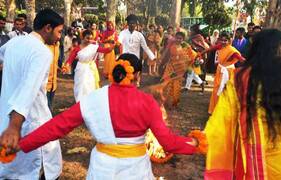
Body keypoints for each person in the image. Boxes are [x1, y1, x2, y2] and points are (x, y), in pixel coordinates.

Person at [15, 53, 199, 179]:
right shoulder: (147, 102)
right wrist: (195, 143)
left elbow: (55, 127)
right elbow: (168, 143)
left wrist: (20, 146)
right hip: (135, 170)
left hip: (101, 169)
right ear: (138, 75)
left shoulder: (92, 99)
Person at [204, 29, 281, 179]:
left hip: (260, 158)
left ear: (255, 50)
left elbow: (222, 120)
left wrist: (201, 140)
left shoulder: (241, 79)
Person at [0, 9, 64, 179]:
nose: (59, 37)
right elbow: (28, 89)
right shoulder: (42, 52)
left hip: (6, 116)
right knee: (36, 169)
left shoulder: (14, 42)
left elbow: (1, 54)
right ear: (48, 28)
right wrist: (14, 126)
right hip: (29, 121)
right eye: (59, 31)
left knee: (11, 170)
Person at [64, 30, 113, 102]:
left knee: (90, 86)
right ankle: (80, 102)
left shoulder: (93, 47)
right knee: (80, 86)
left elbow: (105, 50)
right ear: (82, 38)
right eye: (87, 38)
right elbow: (70, 59)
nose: (89, 40)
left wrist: (112, 47)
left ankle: (90, 102)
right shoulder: (77, 48)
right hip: (80, 69)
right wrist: (66, 66)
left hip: (90, 70)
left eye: (91, 38)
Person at [208, 31, 244, 114]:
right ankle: (215, 109)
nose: (223, 42)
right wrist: (199, 54)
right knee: (216, 90)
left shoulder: (232, 50)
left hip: (228, 72)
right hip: (220, 70)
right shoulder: (220, 46)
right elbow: (210, 49)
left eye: (225, 40)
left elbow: (241, 59)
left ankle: (224, 111)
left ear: (230, 40)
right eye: (222, 40)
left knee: (225, 90)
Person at [160, 32, 198, 107]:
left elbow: (190, 56)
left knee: (177, 85)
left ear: (183, 39)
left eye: (180, 38)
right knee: (168, 84)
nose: (178, 40)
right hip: (170, 68)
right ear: (175, 38)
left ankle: (174, 102)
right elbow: (166, 56)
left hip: (179, 70)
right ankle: (166, 102)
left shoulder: (185, 47)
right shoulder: (171, 46)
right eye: (177, 38)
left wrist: (192, 60)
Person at [119, 14, 155, 87]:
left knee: (135, 77)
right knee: (125, 77)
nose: (132, 24)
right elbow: (119, 41)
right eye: (130, 23)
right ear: (128, 24)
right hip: (125, 59)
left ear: (136, 24)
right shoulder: (123, 33)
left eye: (133, 23)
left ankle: (134, 88)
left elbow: (145, 47)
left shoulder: (139, 35)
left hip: (136, 59)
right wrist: (116, 43)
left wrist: (152, 56)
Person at [46, 42, 60, 112]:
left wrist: (59, 67)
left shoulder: (57, 44)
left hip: (53, 84)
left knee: (49, 109)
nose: (60, 36)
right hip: (44, 86)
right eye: (59, 32)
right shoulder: (41, 45)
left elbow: (55, 61)